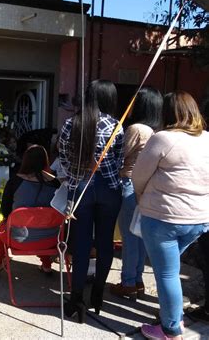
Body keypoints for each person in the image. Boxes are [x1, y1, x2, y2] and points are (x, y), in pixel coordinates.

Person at [133, 91, 209, 339]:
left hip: (163, 218)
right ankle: (171, 315)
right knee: (170, 268)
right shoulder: (207, 139)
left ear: (167, 113)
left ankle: (171, 329)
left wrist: (142, 197)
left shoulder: (162, 139)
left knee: (167, 274)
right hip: (198, 219)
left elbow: (138, 176)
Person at [59, 79, 124, 323]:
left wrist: (76, 174)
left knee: (81, 242)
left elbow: (63, 156)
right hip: (108, 188)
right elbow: (119, 159)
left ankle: (76, 298)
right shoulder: (116, 125)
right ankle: (98, 294)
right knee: (105, 240)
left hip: (80, 189)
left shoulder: (71, 123)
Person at [110, 87, 163, 300]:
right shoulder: (157, 131)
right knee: (139, 236)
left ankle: (128, 281)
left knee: (129, 237)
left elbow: (118, 156)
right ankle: (137, 279)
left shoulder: (137, 129)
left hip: (129, 184)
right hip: (147, 188)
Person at [0, 145, 60, 278]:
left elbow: (6, 212)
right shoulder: (55, 184)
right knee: (43, 226)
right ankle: (47, 265)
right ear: (45, 161)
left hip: (18, 239)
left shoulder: (15, 182)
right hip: (51, 239)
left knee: (2, 230)